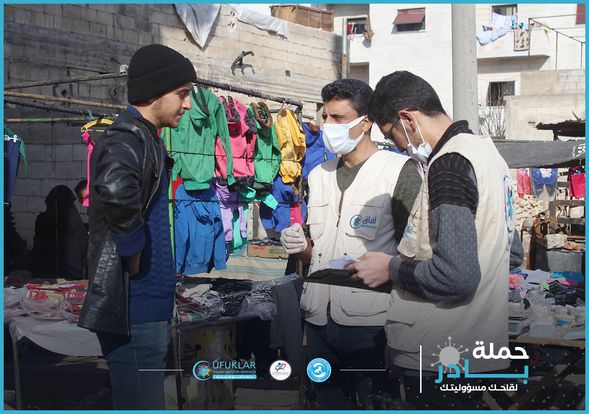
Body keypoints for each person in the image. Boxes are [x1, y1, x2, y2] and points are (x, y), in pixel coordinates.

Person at [348, 71, 523, 409]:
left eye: (391, 134)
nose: (399, 146)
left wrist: (390, 268)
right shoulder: (490, 157)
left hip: (438, 354)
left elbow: (455, 277)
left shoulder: (449, 164)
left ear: (408, 120)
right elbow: (512, 254)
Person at [280, 79, 422, 408]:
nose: (327, 126)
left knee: (374, 404)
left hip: (372, 325)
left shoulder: (399, 172)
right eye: (325, 117)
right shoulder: (318, 175)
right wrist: (300, 246)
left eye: (338, 118)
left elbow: (415, 255)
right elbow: (315, 255)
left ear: (366, 122)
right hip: (318, 321)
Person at [78, 44, 196, 410]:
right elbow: (115, 189)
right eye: (182, 94)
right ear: (155, 92)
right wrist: (132, 252)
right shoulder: (127, 136)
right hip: (133, 305)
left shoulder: (145, 136)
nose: (188, 104)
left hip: (147, 302)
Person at [31, 185, 88, 279]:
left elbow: (37, 247)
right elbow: (83, 246)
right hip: (73, 274)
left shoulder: (42, 219)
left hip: (44, 273)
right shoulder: (75, 220)